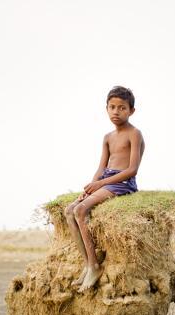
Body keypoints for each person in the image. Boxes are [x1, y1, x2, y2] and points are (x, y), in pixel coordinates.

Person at [64, 86, 145, 293]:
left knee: (80, 210)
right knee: (69, 210)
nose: (116, 112)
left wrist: (101, 184)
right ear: (106, 109)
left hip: (122, 183)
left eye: (122, 108)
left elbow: (132, 169)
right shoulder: (108, 137)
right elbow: (102, 167)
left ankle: (94, 267)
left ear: (131, 111)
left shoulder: (134, 134)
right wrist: (91, 187)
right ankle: (88, 264)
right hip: (106, 180)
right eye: (112, 107)